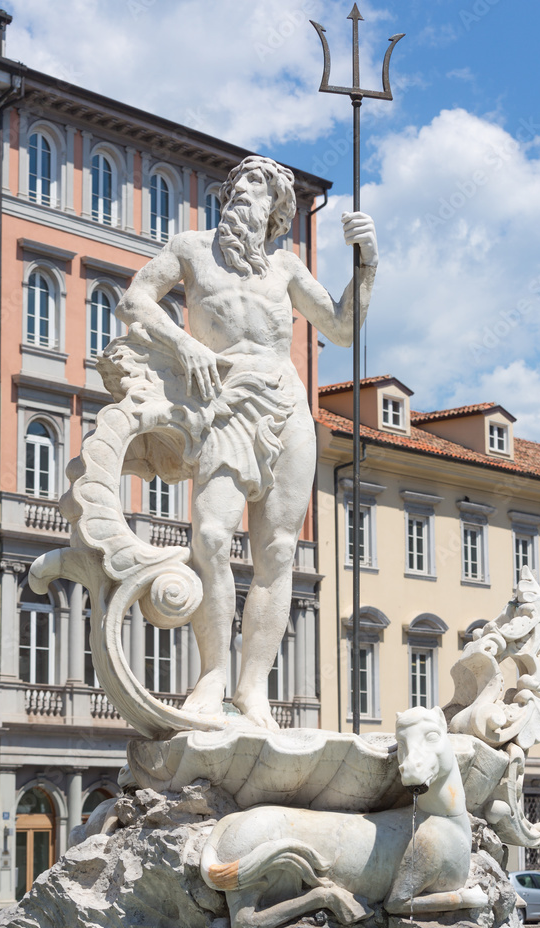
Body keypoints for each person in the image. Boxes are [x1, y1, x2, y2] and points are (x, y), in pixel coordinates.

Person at [116, 155, 377, 730]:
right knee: (210, 535)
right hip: (223, 401)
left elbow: (341, 327)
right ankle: (212, 678)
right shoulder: (191, 248)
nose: (243, 192)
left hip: (286, 405)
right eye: (239, 183)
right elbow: (135, 300)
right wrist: (184, 343)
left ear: (276, 209)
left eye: (257, 185)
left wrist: (367, 265)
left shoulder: (285, 267)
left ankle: (252, 691)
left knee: (278, 553)